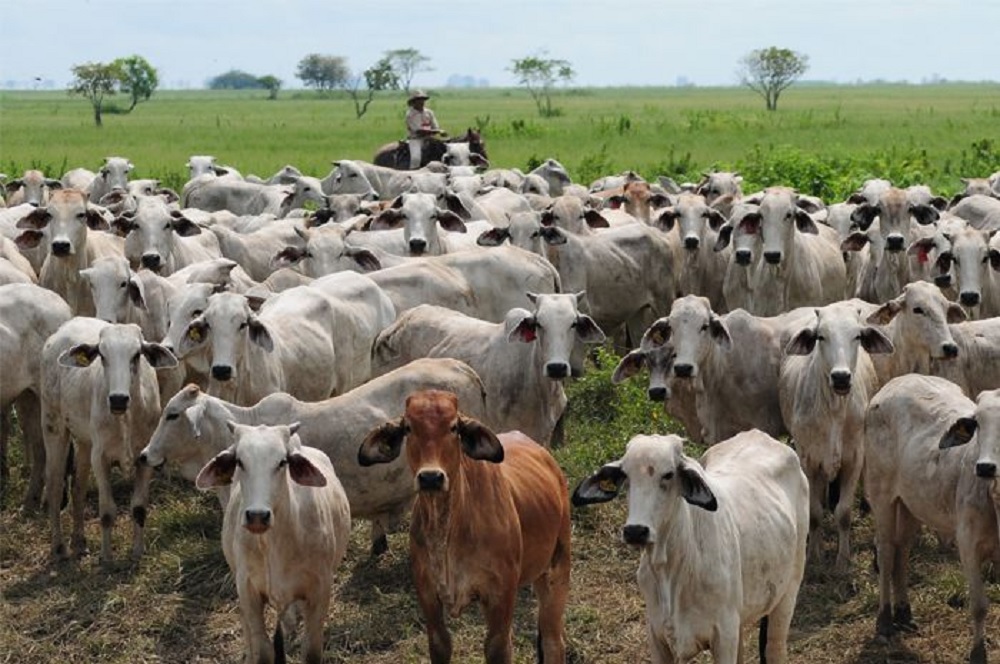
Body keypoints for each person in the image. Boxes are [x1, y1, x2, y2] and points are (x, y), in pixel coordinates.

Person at [405, 90, 444, 169]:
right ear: (414, 102)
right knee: (415, 158)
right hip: (416, 139)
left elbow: (435, 126)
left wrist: (436, 130)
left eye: (422, 100)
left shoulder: (429, 113)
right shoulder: (410, 114)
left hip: (429, 138)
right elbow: (418, 131)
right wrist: (438, 131)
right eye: (419, 100)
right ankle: (413, 172)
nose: (421, 102)